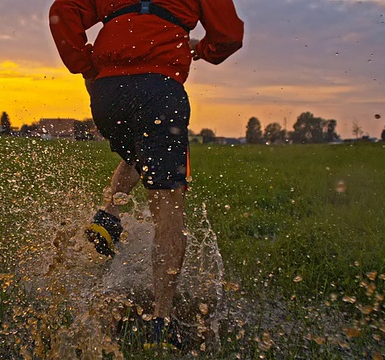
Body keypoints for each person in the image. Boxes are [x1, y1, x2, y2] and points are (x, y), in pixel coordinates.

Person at [49, 0, 244, 346]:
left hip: (107, 96)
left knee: (139, 156)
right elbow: (228, 36)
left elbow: (63, 10)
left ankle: (108, 216)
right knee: (169, 207)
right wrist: (204, 49)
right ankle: (162, 319)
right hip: (159, 91)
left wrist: (86, 66)